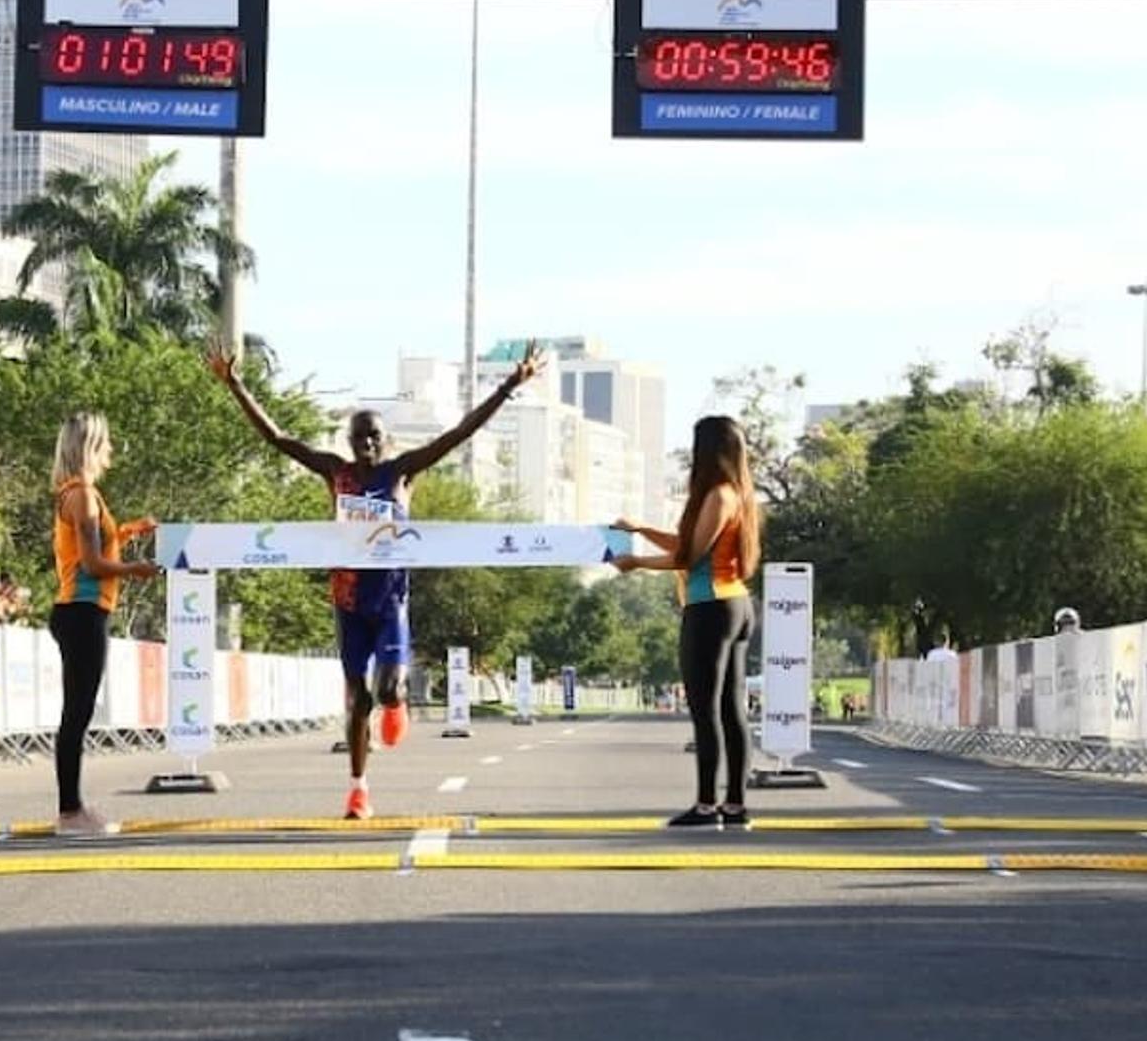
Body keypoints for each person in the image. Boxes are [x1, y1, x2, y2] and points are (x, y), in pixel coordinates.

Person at [211, 340, 546, 820]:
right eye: (359, 437)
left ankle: (398, 702)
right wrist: (235, 384)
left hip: (389, 600)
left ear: (387, 440)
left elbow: (459, 432)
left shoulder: (400, 472)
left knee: (386, 690)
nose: (367, 444)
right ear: (348, 440)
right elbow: (279, 440)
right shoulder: (336, 472)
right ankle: (358, 789)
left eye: (375, 437)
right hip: (348, 601)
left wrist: (510, 385)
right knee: (356, 700)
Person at [612, 416, 763, 830]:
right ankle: (734, 805)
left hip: (711, 607)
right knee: (731, 710)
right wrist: (640, 530)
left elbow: (688, 558)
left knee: (706, 711)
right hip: (734, 604)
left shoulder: (717, 495)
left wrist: (636, 562)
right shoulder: (737, 495)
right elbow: (689, 543)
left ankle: (705, 805)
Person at [50, 410, 160, 836]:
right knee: (76, 713)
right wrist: (137, 569)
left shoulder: (78, 495)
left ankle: (72, 805)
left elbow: (92, 548)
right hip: (82, 611)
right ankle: (69, 810)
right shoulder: (83, 496)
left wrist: (130, 530)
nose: (111, 451)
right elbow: (93, 564)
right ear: (90, 447)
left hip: (78, 611)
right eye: (106, 443)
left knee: (78, 711)